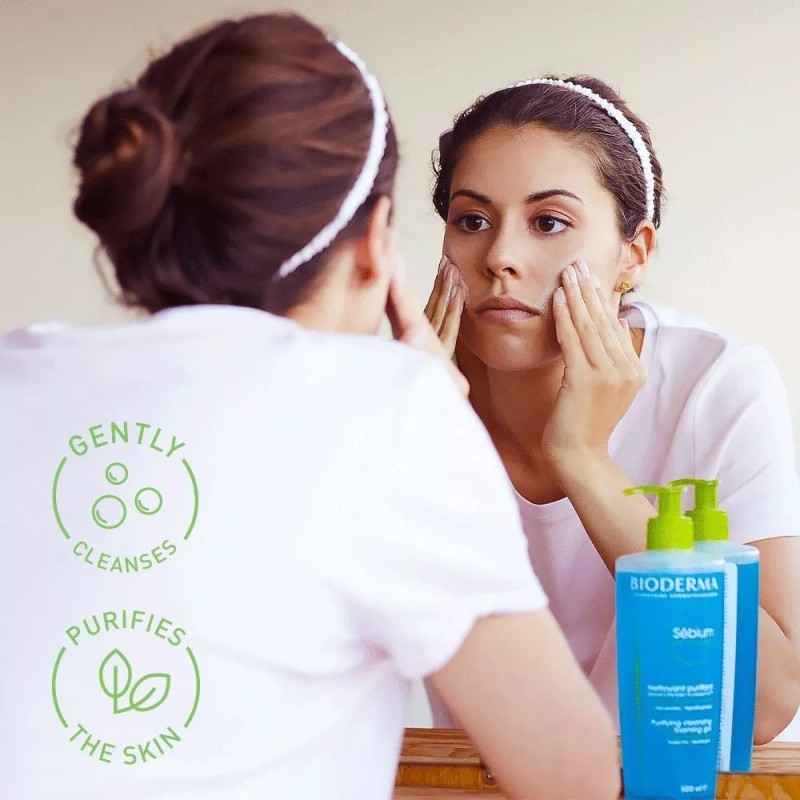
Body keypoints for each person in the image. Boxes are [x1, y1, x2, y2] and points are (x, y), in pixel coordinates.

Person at [0, 17, 620, 800]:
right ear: (376, 241)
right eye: (471, 220)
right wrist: (431, 416)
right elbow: (573, 776)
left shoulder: (15, 373)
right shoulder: (390, 412)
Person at [423, 75, 800, 743]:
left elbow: (764, 704)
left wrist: (585, 460)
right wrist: (404, 432)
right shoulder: (408, 393)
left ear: (634, 253)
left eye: (549, 222)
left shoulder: (716, 386)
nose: (501, 257)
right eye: (473, 220)